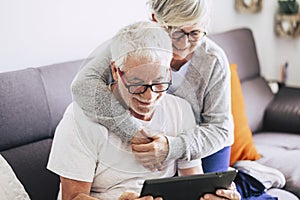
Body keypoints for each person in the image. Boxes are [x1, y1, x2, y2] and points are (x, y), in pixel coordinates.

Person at [47, 21, 240, 200]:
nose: (149, 97)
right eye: (137, 84)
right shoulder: (78, 118)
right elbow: (72, 198)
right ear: (115, 71)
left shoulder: (180, 110)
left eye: (159, 83)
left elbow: (193, 183)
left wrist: (212, 195)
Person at [71, 0, 233, 173]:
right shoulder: (133, 42)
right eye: (175, 31)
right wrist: (132, 131)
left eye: (194, 33)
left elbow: (219, 129)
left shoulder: (212, 59)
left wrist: (170, 148)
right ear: (155, 19)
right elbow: (83, 86)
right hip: (143, 141)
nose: (183, 44)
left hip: (201, 145)